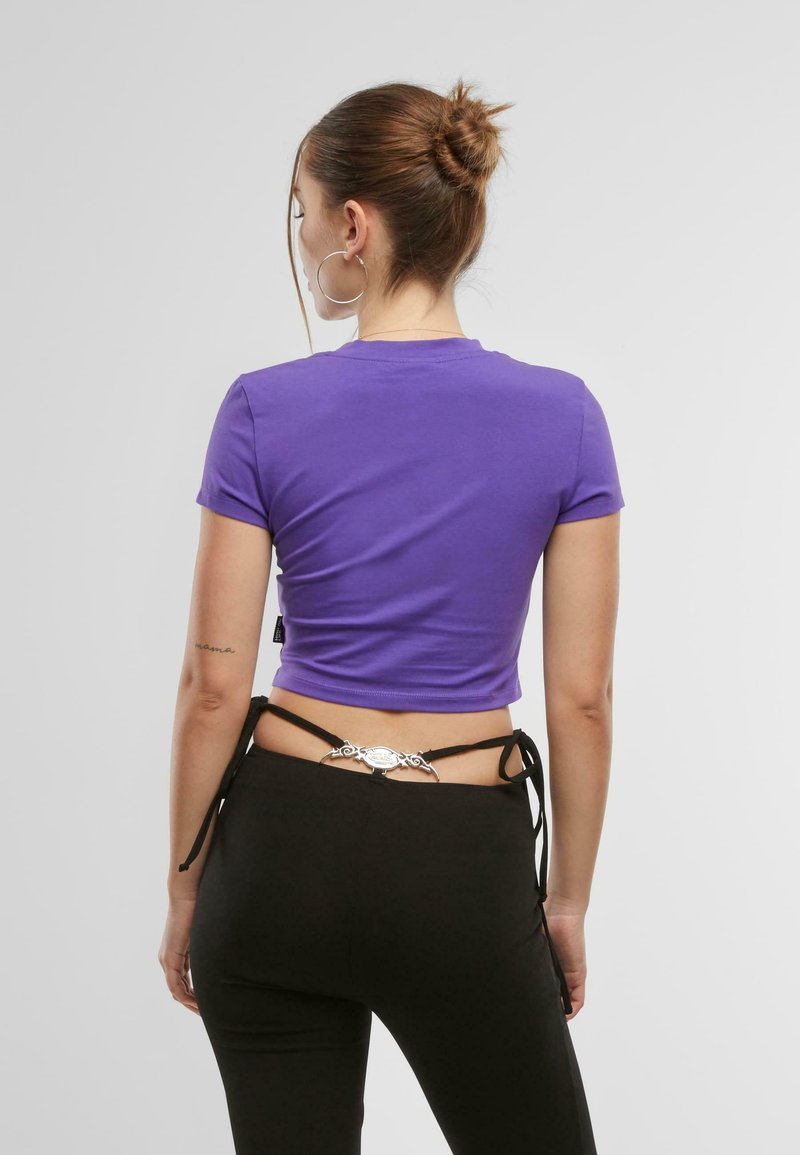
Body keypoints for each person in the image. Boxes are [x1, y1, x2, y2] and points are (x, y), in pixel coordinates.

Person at [158, 77, 624, 1155]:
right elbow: (583, 701)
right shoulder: (563, 416)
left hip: (279, 849)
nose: (302, 234)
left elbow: (213, 687)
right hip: (457, 861)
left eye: (304, 210)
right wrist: (563, 903)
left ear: (354, 227)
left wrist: (187, 890)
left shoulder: (263, 407)